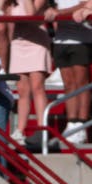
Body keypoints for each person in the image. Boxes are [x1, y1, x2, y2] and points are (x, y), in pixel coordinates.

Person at [46, 1, 92, 140]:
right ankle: (71, 122)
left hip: (81, 41)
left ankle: (82, 124)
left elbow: (87, 3)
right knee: (69, 85)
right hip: (60, 41)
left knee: (82, 85)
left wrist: (60, 13)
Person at [7, 0, 52, 143]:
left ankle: (42, 129)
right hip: (18, 42)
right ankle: (20, 130)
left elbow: (31, 13)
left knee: (37, 86)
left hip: (36, 41)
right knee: (22, 90)